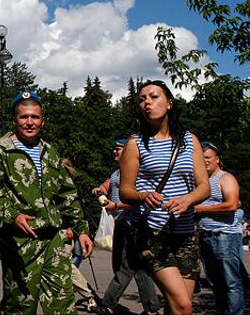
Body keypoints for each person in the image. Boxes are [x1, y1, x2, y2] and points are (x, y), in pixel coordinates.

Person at [0, 91, 94, 315]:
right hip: (21, 241)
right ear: (15, 120)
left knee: (63, 304)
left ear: (43, 120)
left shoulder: (49, 152)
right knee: (21, 305)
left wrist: (82, 230)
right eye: (24, 117)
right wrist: (12, 215)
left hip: (53, 237)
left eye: (35, 117)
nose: (30, 122)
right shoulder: (0, 151)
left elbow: (67, 194)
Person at [119, 80, 210, 315]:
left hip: (186, 234)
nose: (146, 102)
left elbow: (204, 187)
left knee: (175, 307)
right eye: (142, 99)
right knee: (183, 305)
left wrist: (188, 200)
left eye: (153, 96)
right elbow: (125, 191)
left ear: (169, 103)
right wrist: (143, 196)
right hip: (153, 234)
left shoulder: (190, 140)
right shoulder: (135, 143)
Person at [92, 139, 160, 315]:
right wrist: (98, 191)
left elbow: (139, 201)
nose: (115, 151)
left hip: (134, 223)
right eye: (114, 148)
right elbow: (105, 187)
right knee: (136, 267)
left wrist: (116, 206)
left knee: (126, 265)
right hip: (120, 223)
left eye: (119, 149)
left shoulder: (133, 172)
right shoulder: (116, 173)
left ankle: (109, 304)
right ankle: (151, 307)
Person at [194, 141, 244, 315]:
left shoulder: (225, 178)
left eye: (207, 157)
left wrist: (201, 209)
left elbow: (231, 205)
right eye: (202, 157)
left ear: (217, 160)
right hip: (205, 235)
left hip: (225, 236)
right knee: (215, 282)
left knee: (231, 282)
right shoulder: (201, 182)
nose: (204, 161)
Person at [60, 158, 100, 313]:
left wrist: (71, 227)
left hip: (68, 230)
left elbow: (72, 209)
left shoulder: (68, 186)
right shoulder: (66, 183)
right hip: (67, 230)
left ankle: (89, 295)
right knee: (67, 266)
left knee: (67, 267)